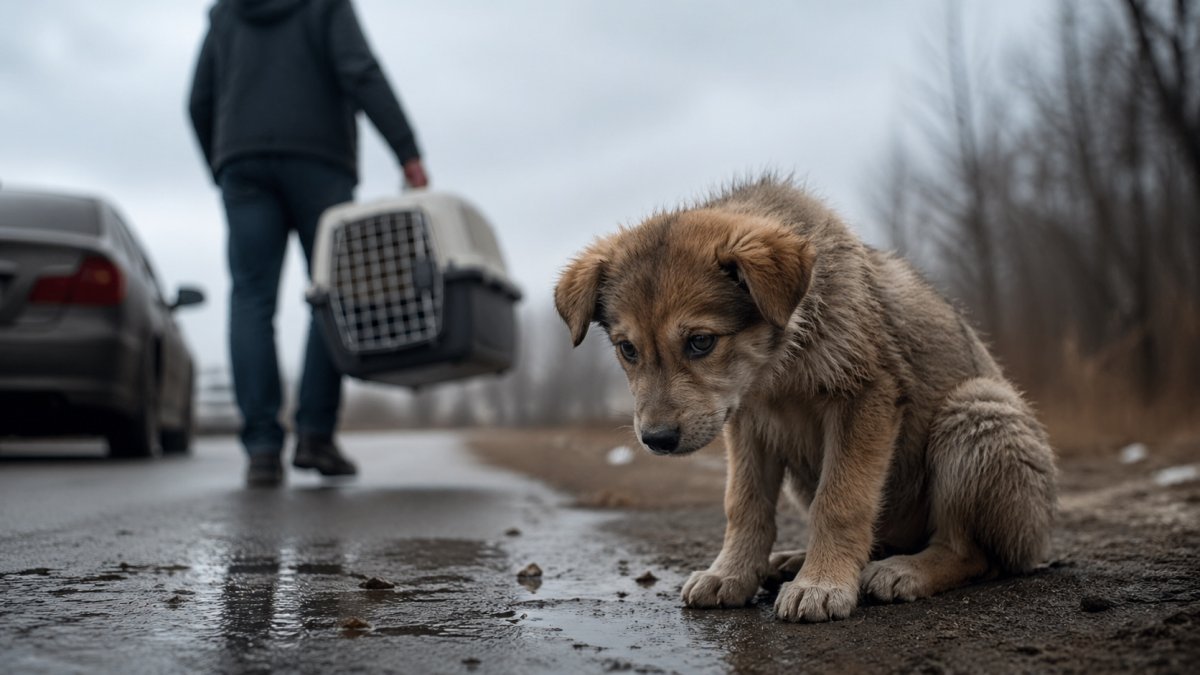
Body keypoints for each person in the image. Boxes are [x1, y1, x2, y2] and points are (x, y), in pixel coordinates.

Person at [188, 0, 428, 486]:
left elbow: (199, 100)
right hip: (320, 160)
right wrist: (406, 150)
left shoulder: (226, 13)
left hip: (244, 162)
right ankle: (315, 437)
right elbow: (360, 71)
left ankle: (261, 447)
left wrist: (222, 159)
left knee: (251, 299)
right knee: (330, 292)